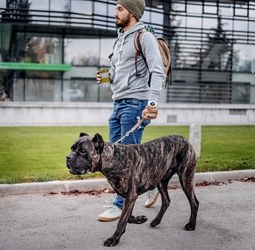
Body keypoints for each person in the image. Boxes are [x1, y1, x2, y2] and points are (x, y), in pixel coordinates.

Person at [96, 0, 165, 222]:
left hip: (136, 104)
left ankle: (119, 204)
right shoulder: (120, 39)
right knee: (114, 156)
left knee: (125, 161)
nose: (115, 12)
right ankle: (151, 185)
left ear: (132, 12)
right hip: (118, 104)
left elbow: (157, 71)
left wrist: (152, 103)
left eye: (120, 8)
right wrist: (106, 77)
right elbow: (117, 72)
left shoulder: (144, 37)